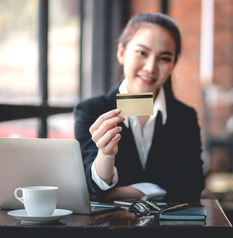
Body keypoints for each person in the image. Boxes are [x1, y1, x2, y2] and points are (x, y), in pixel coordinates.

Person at [74, 13, 205, 202]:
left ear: (173, 64)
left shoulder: (184, 116)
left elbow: (194, 182)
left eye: (165, 58)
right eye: (142, 53)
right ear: (121, 53)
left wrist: (123, 193)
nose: (151, 68)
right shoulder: (91, 110)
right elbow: (90, 183)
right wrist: (105, 154)